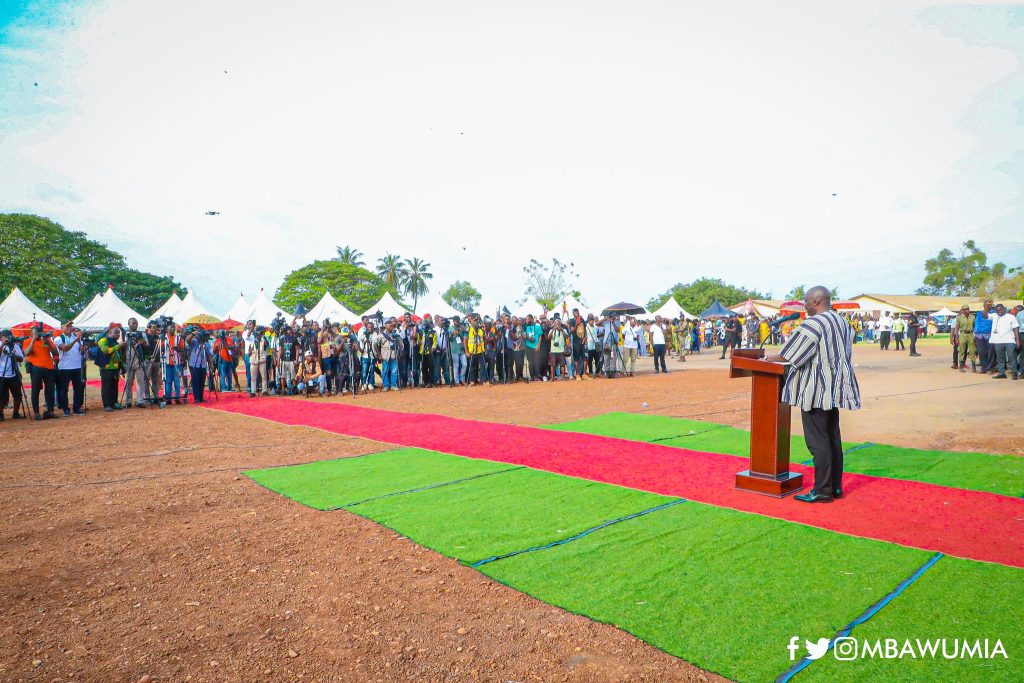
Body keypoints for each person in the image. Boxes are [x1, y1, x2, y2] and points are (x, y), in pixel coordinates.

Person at [766, 286, 860, 504]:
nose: (804, 306)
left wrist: (766, 359)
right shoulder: (842, 322)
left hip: (815, 391)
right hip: (834, 389)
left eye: (806, 302)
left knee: (818, 442)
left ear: (816, 302)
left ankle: (822, 490)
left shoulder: (814, 324)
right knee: (832, 438)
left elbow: (789, 355)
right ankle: (835, 487)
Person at [23, 323, 59, 420]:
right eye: (36, 332)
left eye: (39, 332)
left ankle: (50, 411)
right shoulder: (27, 341)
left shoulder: (47, 340)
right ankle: (36, 413)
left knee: (50, 390)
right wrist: (33, 340)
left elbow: (55, 353)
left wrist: (48, 343)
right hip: (36, 368)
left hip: (49, 368)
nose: (38, 334)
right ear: (32, 333)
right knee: (35, 390)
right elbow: (27, 352)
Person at [54, 321, 86, 416]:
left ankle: (76, 408)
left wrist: (83, 347)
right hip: (64, 367)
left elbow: (80, 349)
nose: (69, 327)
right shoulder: (59, 338)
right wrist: (76, 339)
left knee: (78, 388)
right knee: (64, 389)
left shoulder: (76, 337)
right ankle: (65, 409)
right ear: (62, 328)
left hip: (77, 366)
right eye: (67, 326)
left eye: (71, 325)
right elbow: (65, 348)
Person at [122, 318, 151, 407]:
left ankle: (140, 401)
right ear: (128, 324)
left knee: (140, 381)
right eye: (133, 323)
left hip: (139, 360)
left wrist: (142, 342)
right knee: (128, 382)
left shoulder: (141, 334)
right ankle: (128, 401)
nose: (135, 325)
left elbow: (147, 346)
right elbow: (121, 346)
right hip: (128, 360)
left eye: (136, 323)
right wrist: (128, 342)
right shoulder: (124, 334)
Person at [96, 326, 126, 412]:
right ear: (109, 333)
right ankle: (107, 405)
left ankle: (114, 403)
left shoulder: (115, 342)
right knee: (107, 386)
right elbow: (106, 351)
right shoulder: (103, 340)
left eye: (118, 333)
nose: (118, 335)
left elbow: (118, 355)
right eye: (116, 333)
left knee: (114, 386)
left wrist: (122, 367)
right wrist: (118, 346)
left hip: (115, 367)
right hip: (106, 367)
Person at [0, 328, 26, 420]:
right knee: (1, 395)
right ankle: (0, 414)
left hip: (14, 373)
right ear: (1, 338)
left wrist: (14, 355)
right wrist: (3, 345)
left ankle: (16, 413)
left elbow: (21, 359)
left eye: (9, 337)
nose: (8, 339)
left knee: (17, 395)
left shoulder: (15, 346)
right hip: (2, 374)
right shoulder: (1, 345)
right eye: (5, 337)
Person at [988, 303, 1020, 379]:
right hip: (998, 341)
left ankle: (1014, 373)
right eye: (998, 310)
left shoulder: (1011, 317)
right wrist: (987, 306)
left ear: (1004, 309)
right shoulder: (994, 315)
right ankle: (1002, 373)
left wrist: (1017, 340)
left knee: (1011, 357)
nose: (1000, 311)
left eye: (1001, 310)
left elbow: (1015, 328)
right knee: (1000, 358)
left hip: (1010, 341)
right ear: (995, 310)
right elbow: (984, 315)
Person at [159, 322, 186, 404]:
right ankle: (168, 398)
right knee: (168, 381)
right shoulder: (164, 338)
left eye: (173, 327)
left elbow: (182, 349)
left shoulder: (178, 338)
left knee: (177, 381)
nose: (172, 329)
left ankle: (177, 398)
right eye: (171, 327)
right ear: (167, 328)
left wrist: (177, 349)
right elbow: (160, 349)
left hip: (176, 362)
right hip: (166, 363)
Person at [185, 328, 211, 403]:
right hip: (194, 364)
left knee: (202, 382)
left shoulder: (206, 343)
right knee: (195, 381)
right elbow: (187, 340)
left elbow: (209, 354)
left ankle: (201, 396)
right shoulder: (194, 341)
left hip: (203, 365)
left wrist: (211, 364)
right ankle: (196, 397)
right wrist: (193, 334)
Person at [974, 300, 995, 373]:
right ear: (983, 305)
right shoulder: (979, 313)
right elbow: (977, 323)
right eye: (986, 304)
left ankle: (990, 368)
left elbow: (986, 316)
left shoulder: (994, 313)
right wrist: (975, 334)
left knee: (990, 352)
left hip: (989, 335)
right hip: (979, 336)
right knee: (981, 352)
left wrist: (988, 306)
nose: (988, 306)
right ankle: (984, 367)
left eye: (989, 305)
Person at [953, 305, 976, 372]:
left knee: (972, 350)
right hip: (962, 334)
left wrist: (974, 335)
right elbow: (956, 329)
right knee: (961, 350)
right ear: (962, 310)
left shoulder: (972, 317)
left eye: (968, 308)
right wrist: (956, 338)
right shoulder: (959, 318)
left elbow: (974, 326)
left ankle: (973, 366)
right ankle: (961, 366)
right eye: (965, 309)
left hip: (971, 334)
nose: (967, 310)